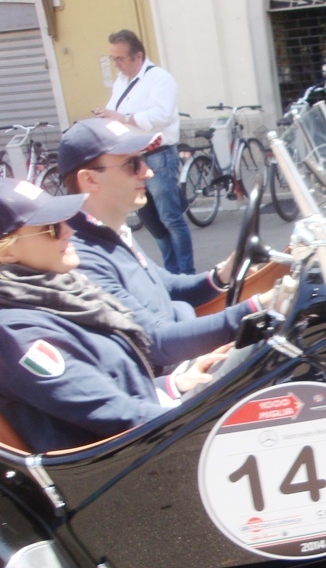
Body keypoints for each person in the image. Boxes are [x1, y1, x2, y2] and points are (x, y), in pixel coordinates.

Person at [0, 179, 223, 451]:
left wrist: (171, 385)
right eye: (52, 228)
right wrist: (219, 417)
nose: (69, 230)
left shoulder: (62, 294)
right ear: (7, 250)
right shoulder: (17, 334)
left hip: (147, 435)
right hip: (130, 461)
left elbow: (103, 383)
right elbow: (115, 414)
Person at [58, 117, 272, 370]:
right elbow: (153, 341)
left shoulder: (111, 230)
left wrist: (222, 275)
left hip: (181, 355)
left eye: (143, 160)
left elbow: (165, 286)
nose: (147, 172)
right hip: (168, 377)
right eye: (132, 164)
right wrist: (260, 306)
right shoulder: (79, 258)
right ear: (90, 180)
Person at [93, 29, 196, 272]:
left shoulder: (159, 79)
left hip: (158, 156)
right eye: (113, 59)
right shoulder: (122, 81)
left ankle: (186, 273)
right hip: (133, 157)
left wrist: (124, 117)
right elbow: (115, 110)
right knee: (151, 221)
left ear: (138, 56)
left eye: (121, 59)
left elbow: (162, 116)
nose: (116, 65)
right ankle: (171, 272)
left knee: (170, 219)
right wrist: (105, 116)